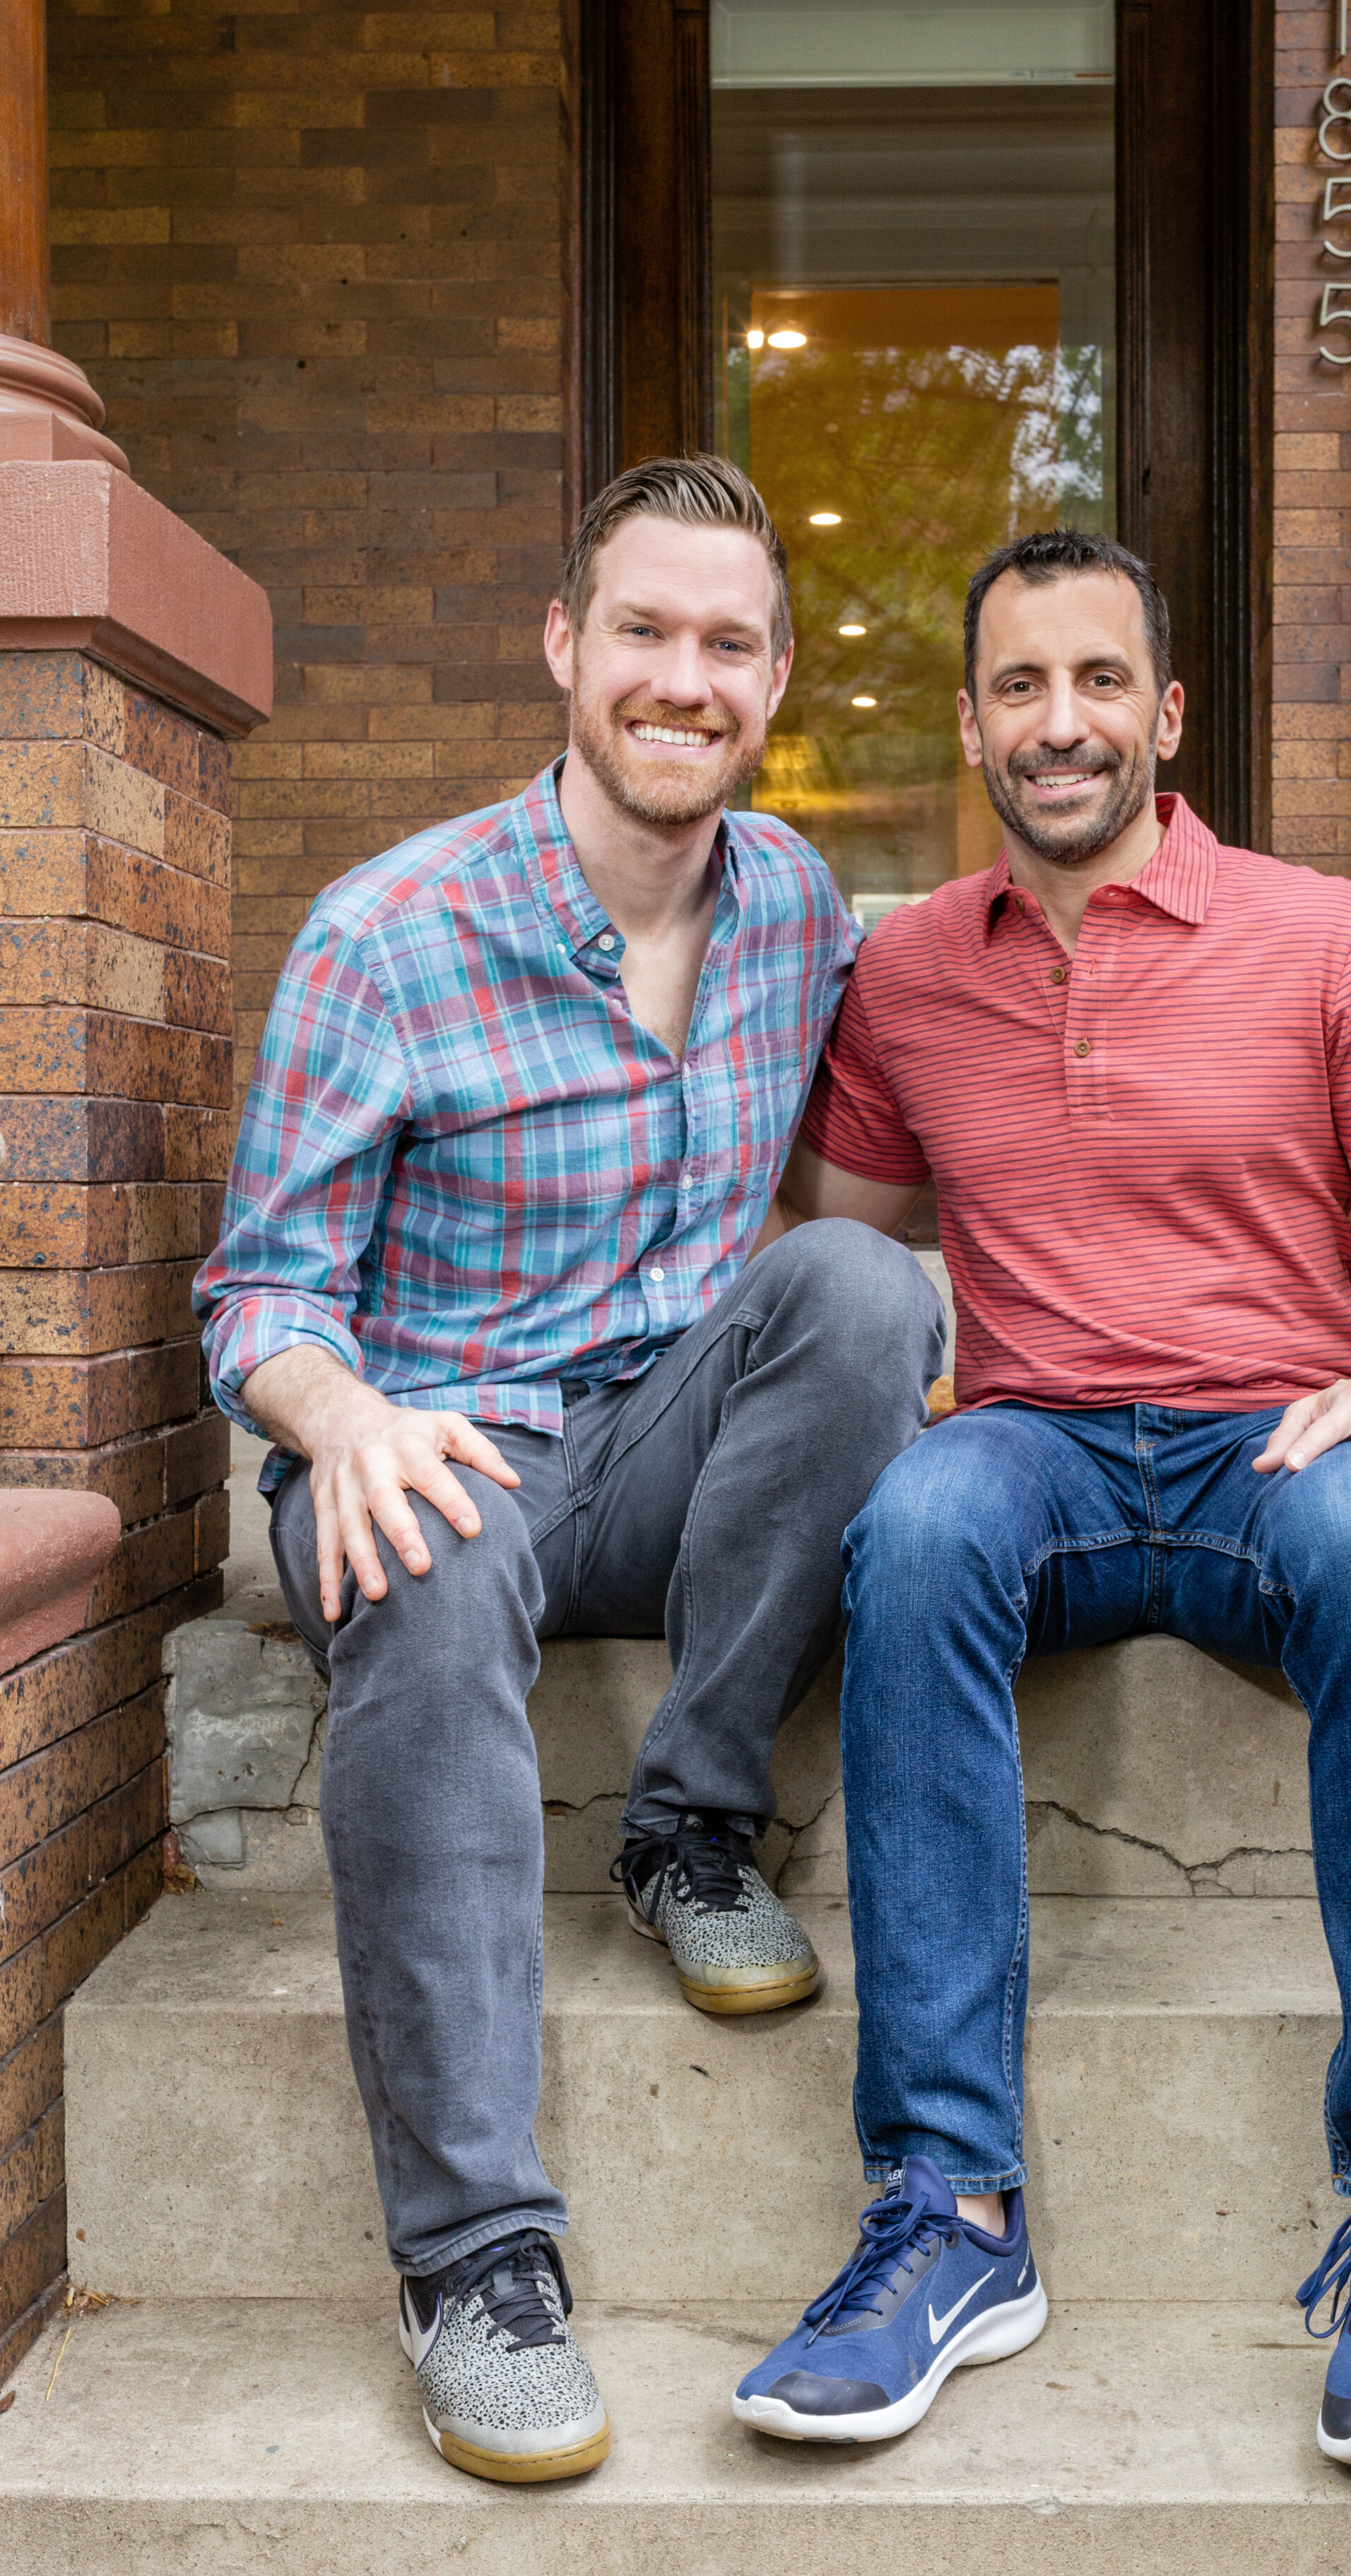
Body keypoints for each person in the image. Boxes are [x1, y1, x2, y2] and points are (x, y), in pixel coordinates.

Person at [731, 529, 1351, 2472]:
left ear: (1164, 718)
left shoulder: (1320, 933)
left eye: (1098, 681)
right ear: (975, 724)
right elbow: (836, 1255)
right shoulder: (907, 971)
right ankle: (948, 2211)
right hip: (1037, 1443)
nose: (1057, 721)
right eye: (1018, 684)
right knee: (914, 1532)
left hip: (1278, 1436)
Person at [194, 455, 943, 2486]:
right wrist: (341, 1421)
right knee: (429, 1574)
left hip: (658, 1448)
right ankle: (472, 2258)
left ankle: (687, 1830)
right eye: (643, 631)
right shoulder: (391, 933)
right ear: (564, 645)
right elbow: (257, 1289)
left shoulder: (792, 902)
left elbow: (995, 996)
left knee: (866, 1294)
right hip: (438, 1443)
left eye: (725, 644)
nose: (679, 679)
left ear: (772, 677)